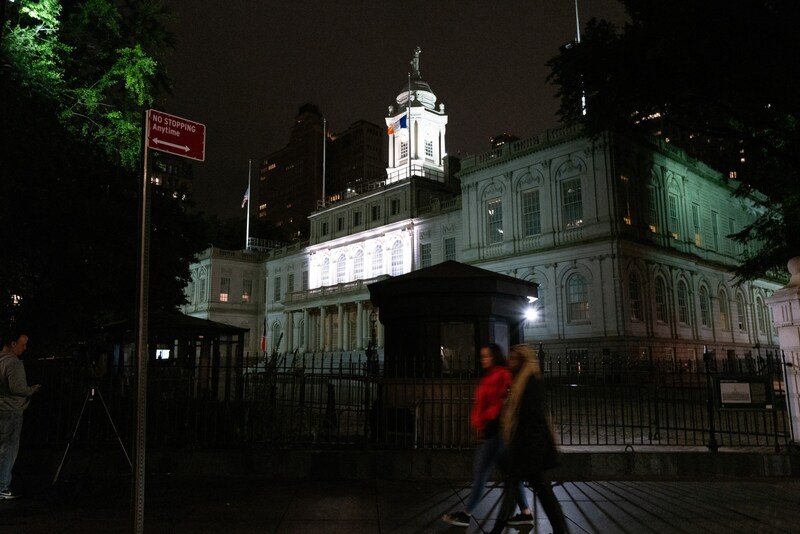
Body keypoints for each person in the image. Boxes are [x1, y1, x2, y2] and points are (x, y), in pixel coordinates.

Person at [443, 344, 533, 527]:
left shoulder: (501, 375)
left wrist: (488, 418)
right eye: (482, 356)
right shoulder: (492, 374)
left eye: (487, 356)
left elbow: (504, 401)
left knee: (482, 475)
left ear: (495, 357)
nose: (483, 359)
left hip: (495, 433)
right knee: (509, 475)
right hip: (491, 432)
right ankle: (525, 512)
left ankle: (467, 514)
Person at [494, 344, 567, 533]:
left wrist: (520, 447)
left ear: (522, 361)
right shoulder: (523, 380)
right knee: (539, 493)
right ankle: (561, 530)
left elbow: (533, 419)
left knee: (523, 492)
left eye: (513, 359)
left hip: (529, 451)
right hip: (527, 450)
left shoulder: (529, 383)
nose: (509, 362)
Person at [0, 330, 41, 500]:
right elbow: (17, 388)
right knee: (8, 449)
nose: (25, 347)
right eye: (22, 343)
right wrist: (32, 390)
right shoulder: (14, 363)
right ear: (13, 343)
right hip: (11, 410)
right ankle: (3, 485)